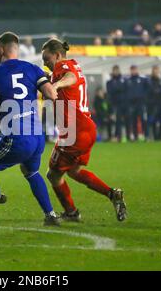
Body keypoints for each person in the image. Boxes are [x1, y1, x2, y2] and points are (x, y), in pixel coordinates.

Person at [0, 32, 60, 226]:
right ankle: (51, 214)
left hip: (17, 138)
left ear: (2, 49)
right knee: (31, 172)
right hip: (37, 136)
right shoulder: (32, 68)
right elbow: (52, 94)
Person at [41, 38, 127, 222]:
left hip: (74, 132)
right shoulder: (73, 64)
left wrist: (55, 85)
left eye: (47, 58)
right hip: (86, 129)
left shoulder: (62, 67)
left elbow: (69, 78)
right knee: (74, 171)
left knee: (53, 174)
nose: (45, 63)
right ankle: (113, 194)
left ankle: (71, 213)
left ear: (57, 55)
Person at [106, 65, 129, 142]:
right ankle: (118, 137)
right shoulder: (110, 82)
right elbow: (110, 92)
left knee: (127, 120)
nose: (116, 72)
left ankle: (128, 136)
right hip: (116, 104)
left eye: (117, 70)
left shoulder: (124, 80)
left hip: (125, 103)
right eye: (114, 70)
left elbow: (126, 90)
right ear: (113, 71)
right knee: (117, 121)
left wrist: (117, 89)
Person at [126, 64, 149, 141]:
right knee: (133, 120)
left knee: (143, 120)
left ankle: (146, 136)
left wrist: (144, 98)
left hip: (141, 103)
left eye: (135, 69)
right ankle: (135, 136)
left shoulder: (143, 79)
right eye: (132, 69)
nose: (133, 71)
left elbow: (148, 89)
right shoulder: (128, 81)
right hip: (132, 104)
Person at [147, 65, 161, 140]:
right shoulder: (150, 81)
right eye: (155, 70)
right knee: (154, 121)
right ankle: (155, 136)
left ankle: (159, 136)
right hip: (153, 103)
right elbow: (153, 90)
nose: (156, 72)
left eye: (157, 70)